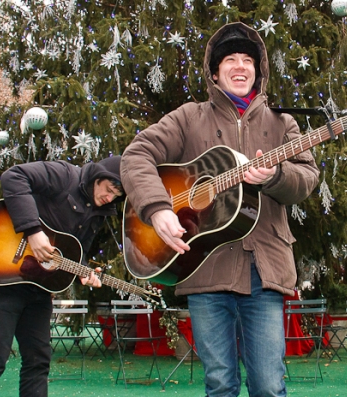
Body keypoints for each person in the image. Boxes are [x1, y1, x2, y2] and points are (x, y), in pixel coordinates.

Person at [120, 22, 319, 396]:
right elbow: (137, 155)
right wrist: (158, 208)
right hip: (204, 268)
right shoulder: (188, 117)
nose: (240, 66)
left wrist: (274, 176)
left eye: (248, 59)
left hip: (265, 267)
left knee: (268, 385)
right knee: (220, 383)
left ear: (259, 71)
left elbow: (307, 178)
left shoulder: (283, 123)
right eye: (230, 60)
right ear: (215, 72)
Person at [0, 156, 125, 397]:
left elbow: (76, 250)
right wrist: (33, 232)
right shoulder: (65, 175)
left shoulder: (99, 213)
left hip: (38, 289)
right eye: (108, 190)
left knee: (38, 361)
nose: (109, 198)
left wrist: (83, 271)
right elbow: (13, 177)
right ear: (97, 177)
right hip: (5, 278)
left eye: (115, 196)